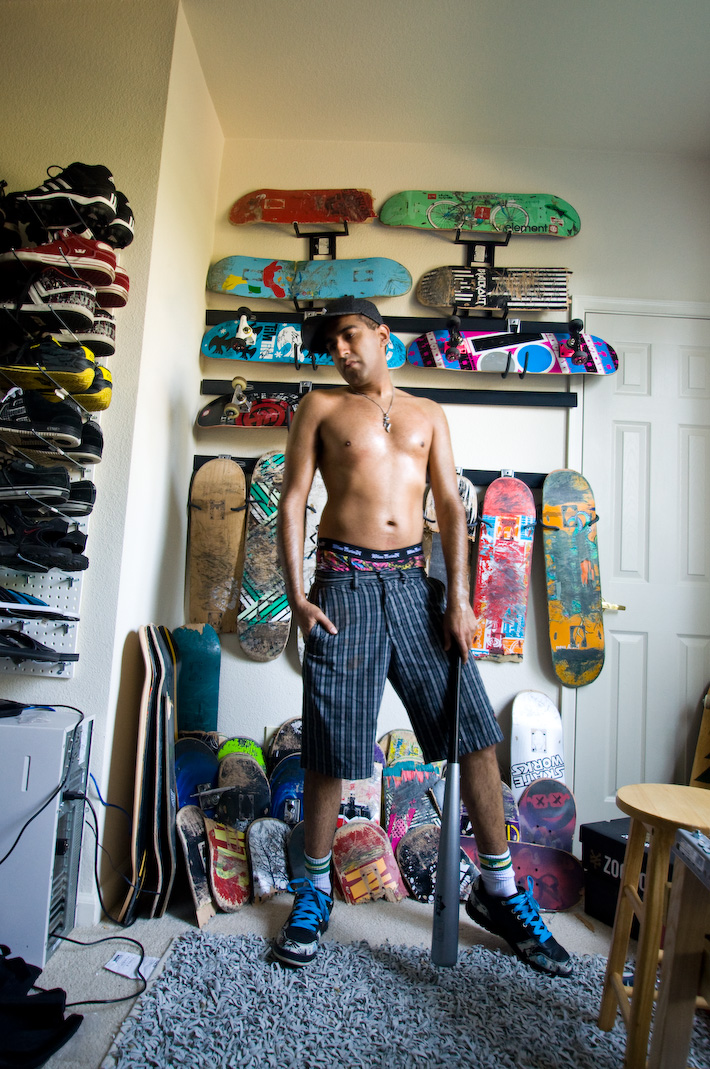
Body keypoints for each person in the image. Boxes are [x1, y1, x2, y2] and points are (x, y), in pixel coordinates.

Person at [274, 297, 571, 978]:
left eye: (350, 336)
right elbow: (293, 498)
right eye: (330, 344)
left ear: (382, 335)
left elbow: (450, 508)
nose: (340, 351)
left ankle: (500, 891)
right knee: (331, 747)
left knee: (473, 733)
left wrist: (459, 599)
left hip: (415, 587)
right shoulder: (319, 406)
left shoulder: (428, 414)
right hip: (344, 585)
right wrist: (295, 595)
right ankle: (313, 891)